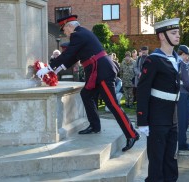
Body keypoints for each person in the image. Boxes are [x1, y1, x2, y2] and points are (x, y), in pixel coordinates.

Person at [37, 15, 139, 152]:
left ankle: (132, 134)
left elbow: (68, 55)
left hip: (102, 72)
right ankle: (95, 125)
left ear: (69, 26)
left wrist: (49, 68)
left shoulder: (78, 35)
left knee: (113, 104)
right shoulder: (81, 34)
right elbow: (71, 58)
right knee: (86, 94)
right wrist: (55, 70)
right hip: (96, 73)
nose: (65, 33)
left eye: (64, 30)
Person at [136, 18, 181, 182]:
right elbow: (143, 90)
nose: (178, 36)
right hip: (157, 118)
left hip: (172, 117)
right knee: (157, 160)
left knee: (171, 158)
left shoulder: (176, 59)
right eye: (173, 33)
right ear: (162, 36)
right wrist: (142, 119)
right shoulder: (153, 59)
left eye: (178, 32)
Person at [177, 45, 189, 151]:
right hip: (184, 94)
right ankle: (182, 144)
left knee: (177, 120)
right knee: (183, 120)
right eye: (187, 56)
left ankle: (178, 141)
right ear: (183, 54)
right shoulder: (182, 64)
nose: (188, 58)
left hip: (176, 94)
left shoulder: (173, 62)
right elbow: (187, 82)